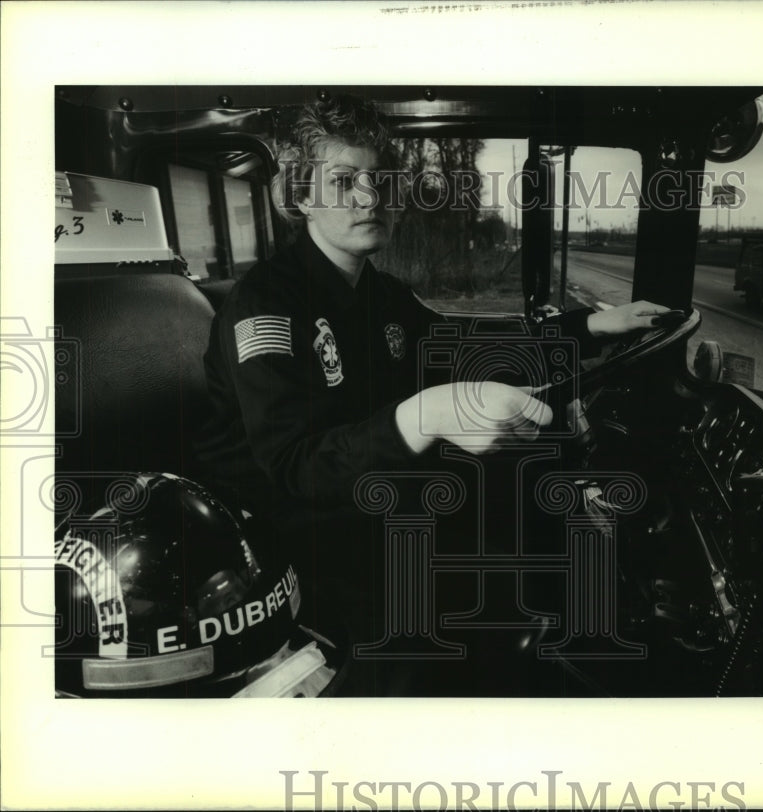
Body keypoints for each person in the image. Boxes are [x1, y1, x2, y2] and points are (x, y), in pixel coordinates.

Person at [195, 96, 671, 692]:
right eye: (344, 182)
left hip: (366, 489)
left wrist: (588, 328)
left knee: (527, 485)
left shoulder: (379, 294)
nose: (370, 198)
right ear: (302, 196)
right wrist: (425, 415)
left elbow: (464, 341)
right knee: (426, 605)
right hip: (288, 527)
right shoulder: (265, 305)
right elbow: (294, 467)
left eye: (379, 180)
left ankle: (559, 653)